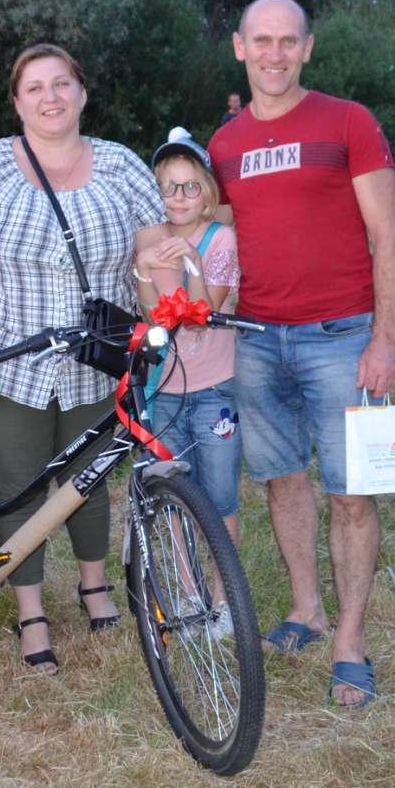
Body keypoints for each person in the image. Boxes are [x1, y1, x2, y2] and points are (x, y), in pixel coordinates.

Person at [0, 43, 165, 675]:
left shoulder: (121, 165)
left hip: (98, 357)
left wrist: (161, 313)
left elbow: (151, 257)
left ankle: (95, 586)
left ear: (82, 93)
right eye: (34, 87)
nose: (50, 97)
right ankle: (31, 610)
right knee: (20, 486)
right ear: (16, 103)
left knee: (89, 477)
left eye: (61, 84)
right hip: (9, 362)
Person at [206, 0, 395, 708]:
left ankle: (350, 641)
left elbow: (387, 236)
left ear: (308, 48)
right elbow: (217, 244)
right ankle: (306, 610)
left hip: (341, 338)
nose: (275, 53)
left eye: (288, 40)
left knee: (351, 495)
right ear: (240, 47)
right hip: (257, 341)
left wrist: (385, 339)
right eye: (261, 40)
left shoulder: (347, 121)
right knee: (283, 480)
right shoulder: (223, 144)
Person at [134, 127, 243, 634]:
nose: (178, 197)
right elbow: (151, 317)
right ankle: (190, 596)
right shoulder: (149, 240)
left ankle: (224, 602)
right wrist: (143, 271)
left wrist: (191, 262)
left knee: (220, 501)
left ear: (207, 194)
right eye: (168, 187)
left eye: (189, 187)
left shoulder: (220, 239)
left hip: (213, 387)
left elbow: (203, 314)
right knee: (175, 497)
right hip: (165, 389)